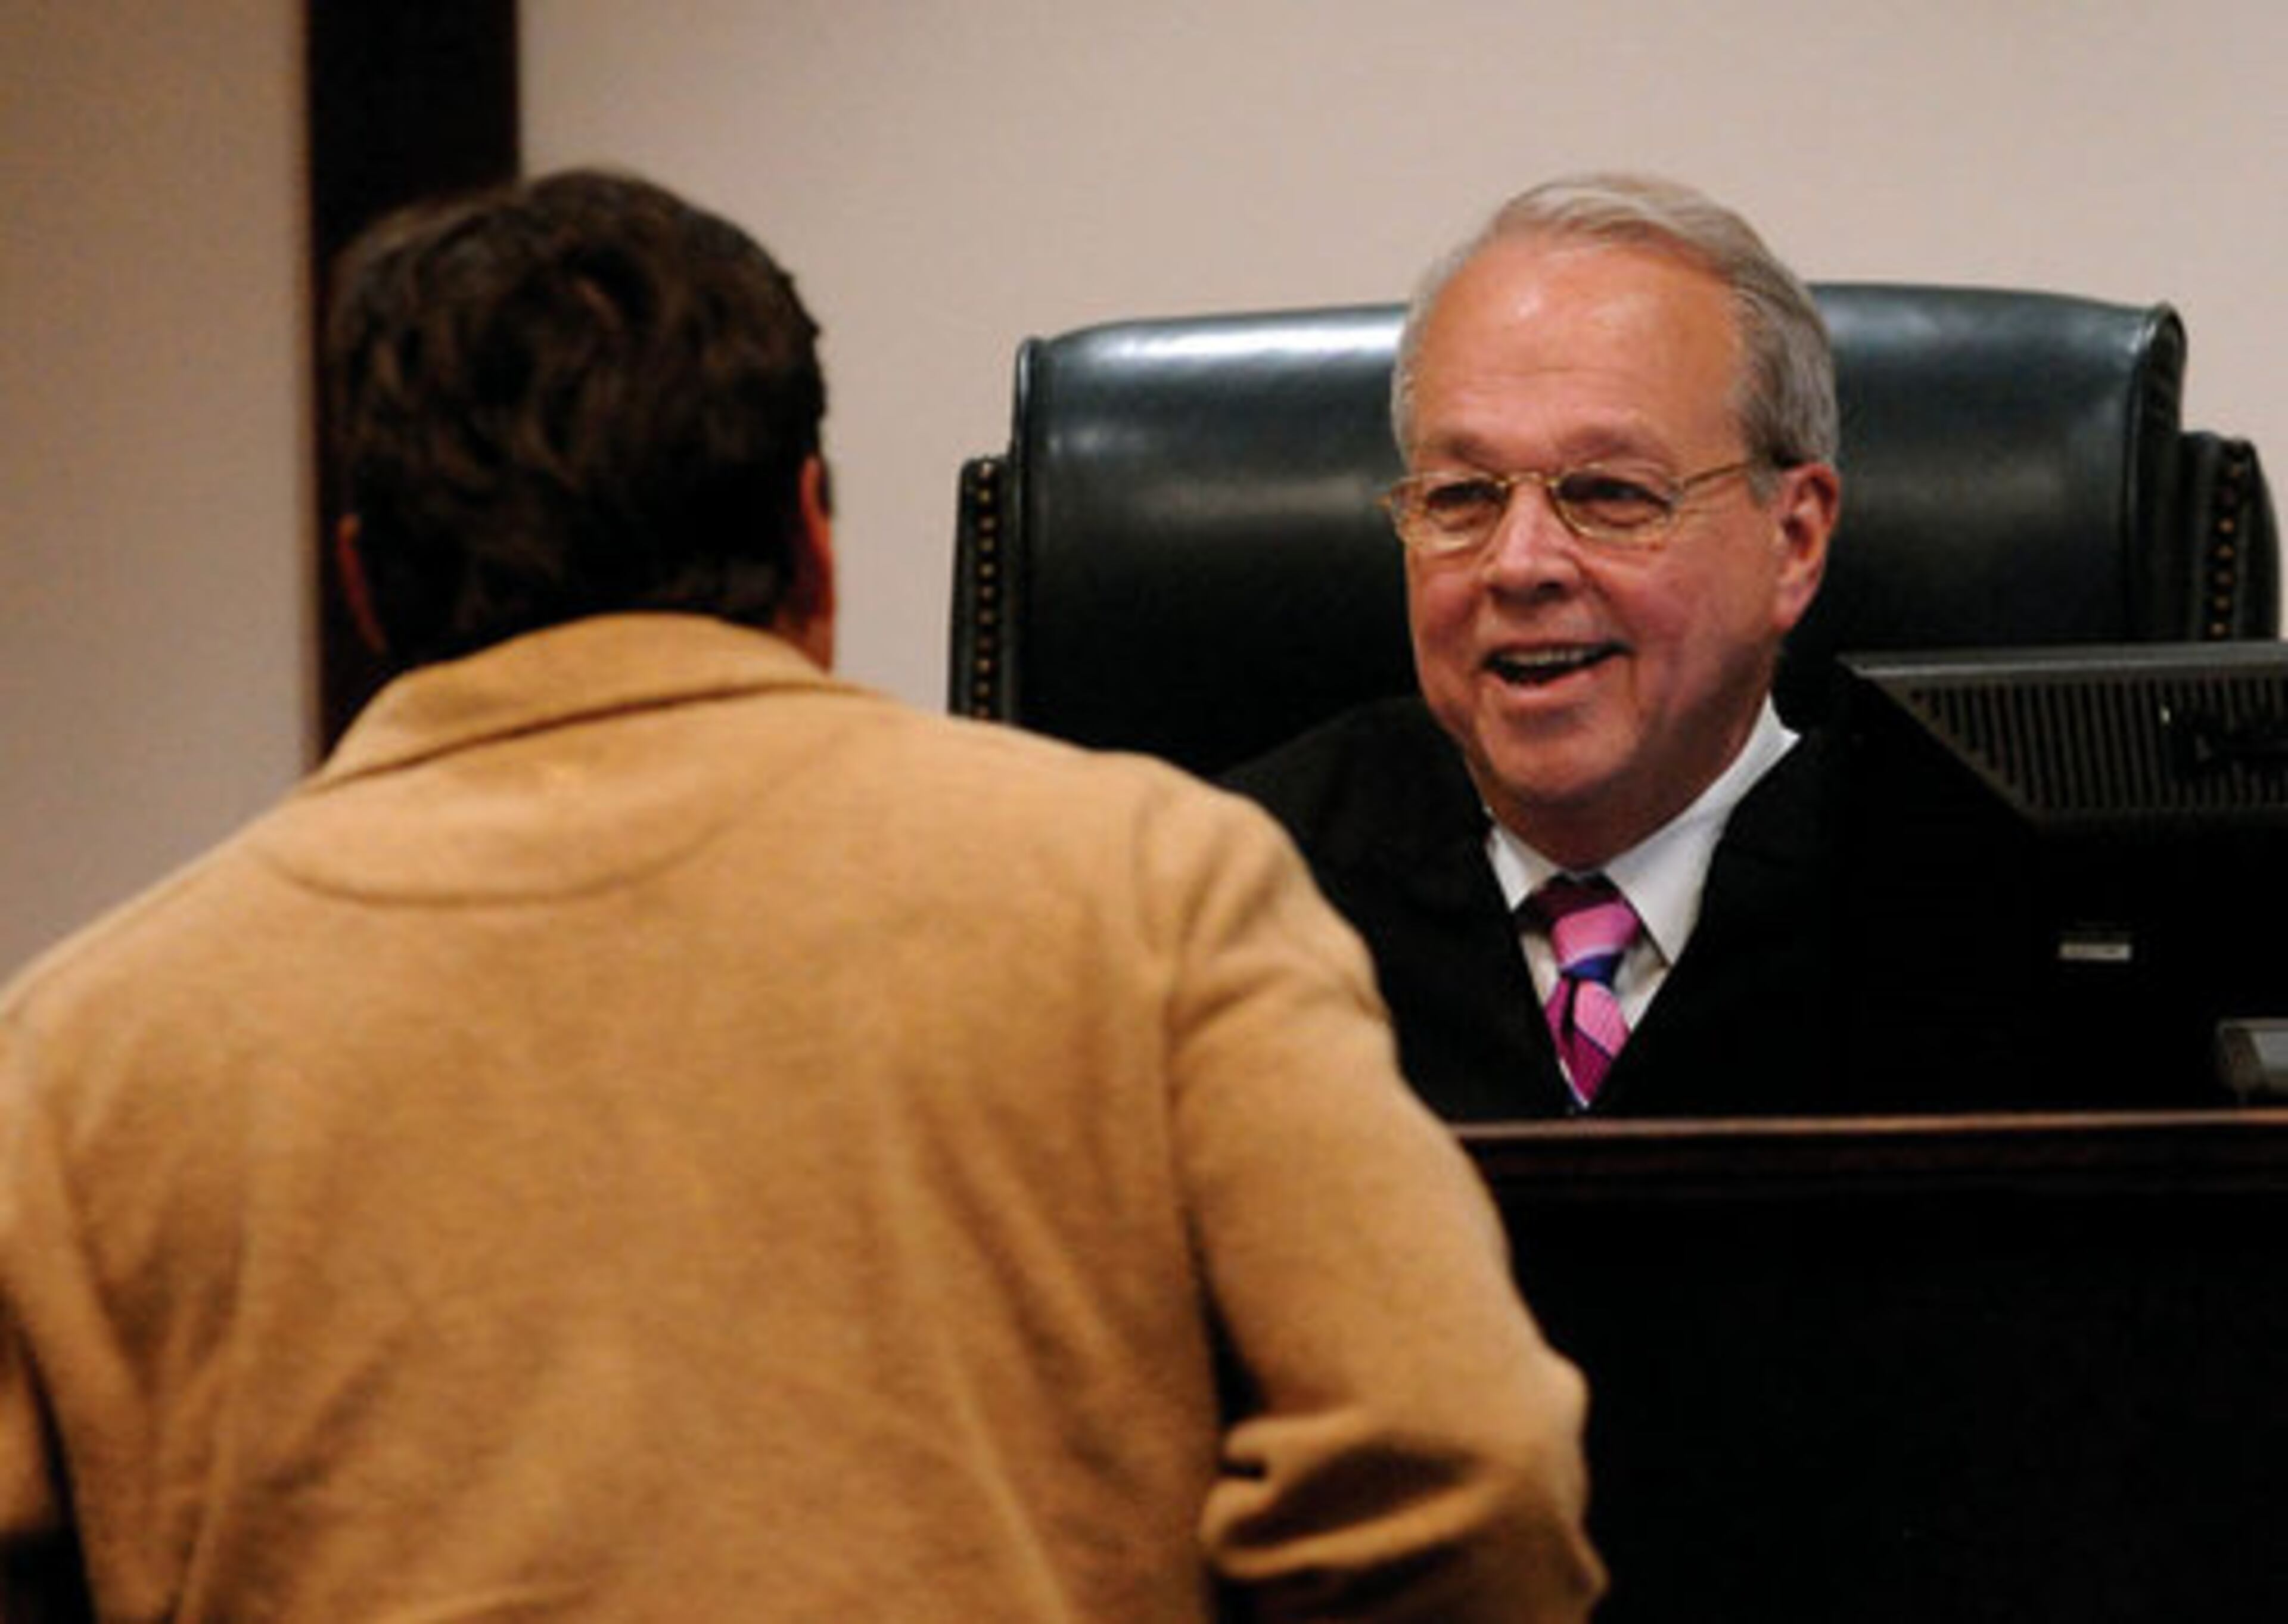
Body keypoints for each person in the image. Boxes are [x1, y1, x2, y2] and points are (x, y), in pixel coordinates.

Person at [0, 171, 1604, 1620]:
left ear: (361, 584)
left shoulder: (76, 1052)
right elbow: (1462, 1470)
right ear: (813, 544)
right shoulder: (1152, 887)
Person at [1227, 174, 1848, 1120]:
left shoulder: (1967, 916)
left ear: (1792, 540)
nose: (1518, 565)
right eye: (1462, 497)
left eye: (1609, 494)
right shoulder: (1231, 900)